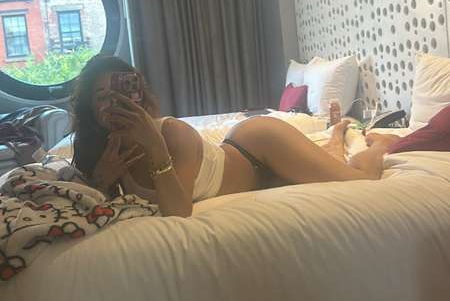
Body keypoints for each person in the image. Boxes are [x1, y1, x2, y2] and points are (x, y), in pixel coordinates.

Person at [72, 55, 384, 218]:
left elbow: (178, 210)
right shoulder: (104, 149)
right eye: (101, 97)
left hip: (257, 146)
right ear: (90, 108)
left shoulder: (170, 133)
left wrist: (154, 146)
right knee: (325, 163)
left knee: (359, 180)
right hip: (248, 167)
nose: (113, 103)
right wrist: (102, 180)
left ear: (136, 90)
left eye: (119, 92)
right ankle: (337, 133)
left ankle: (379, 143)